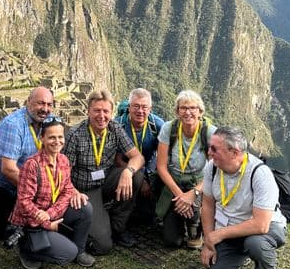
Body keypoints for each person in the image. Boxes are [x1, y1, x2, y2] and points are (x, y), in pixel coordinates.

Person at [198, 126, 287, 269]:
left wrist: (219, 235)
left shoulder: (260, 174)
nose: (209, 152)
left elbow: (261, 224)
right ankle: (242, 253)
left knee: (256, 243)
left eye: (214, 149)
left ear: (234, 152)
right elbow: (208, 204)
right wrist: (209, 241)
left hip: (265, 227)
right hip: (231, 227)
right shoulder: (213, 167)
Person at [63, 89, 144, 254]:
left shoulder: (114, 128)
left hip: (106, 181)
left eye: (106, 111)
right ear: (88, 111)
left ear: (111, 112)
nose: (102, 116)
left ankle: (117, 228)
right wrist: (74, 193)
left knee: (137, 176)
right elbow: (63, 174)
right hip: (84, 189)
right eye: (97, 110)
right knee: (103, 246)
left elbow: (138, 157)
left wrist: (128, 172)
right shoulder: (75, 135)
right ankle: (77, 228)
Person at [9, 117, 96, 269]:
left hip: (49, 213)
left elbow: (67, 190)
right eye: (51, 137)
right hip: (31, 222)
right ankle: (27, 249)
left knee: (85, 208)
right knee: (67, 254)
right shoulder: (32, 165)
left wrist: (50, 214)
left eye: (60, 137)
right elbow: (24, 202)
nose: (57, 141)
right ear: (42, 138)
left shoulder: (63, 160)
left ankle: (79, 251)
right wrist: (45, 222)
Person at [0, 86, 55, 238]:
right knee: (4, 230)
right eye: (40, 103)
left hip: (26, 183)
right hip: (0, 187)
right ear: (28, 102)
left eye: (49, 104)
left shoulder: (49, 121)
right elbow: (8, 169)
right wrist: (37, 191)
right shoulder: (14, 125)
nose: (45, 109)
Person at [155, 90, 216, 248]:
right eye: (183, 108)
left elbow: (216, 170)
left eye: (192, 108)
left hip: (199, 183)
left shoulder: (209, 132)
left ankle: (196, 227)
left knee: (195, 206)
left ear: (200, 111)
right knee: (172, 241)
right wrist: (181, 196)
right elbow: (161, 166)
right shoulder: (169, 129)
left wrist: (193, 193)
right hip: (174, 184)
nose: (188, 112)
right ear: (177, 111)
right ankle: (181, 220)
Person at [114, 88, 165, 224]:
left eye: (144, 107)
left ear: (150, 109)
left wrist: (148, 176)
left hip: (150, 167)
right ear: (129, 107)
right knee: (134, 182)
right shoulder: (118, 125)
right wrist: (141, 179)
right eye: (136, 106)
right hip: (126, 168)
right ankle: (121, 215)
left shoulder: (158, 126)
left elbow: (163, 155)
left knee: (148, 217)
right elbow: (117, 159)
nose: (140, 111)